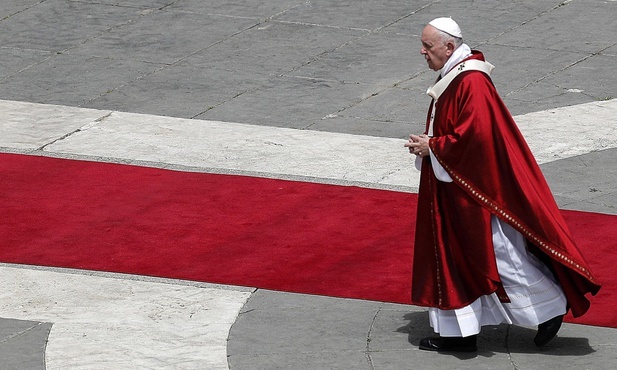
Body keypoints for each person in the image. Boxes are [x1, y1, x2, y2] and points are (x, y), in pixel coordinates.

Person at [404, 17, 601, 353]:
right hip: (457, 186)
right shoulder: (456, 74)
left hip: (478, 194)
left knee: (499, 258)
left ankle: (550, 307)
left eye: (428, 46)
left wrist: (433, 146)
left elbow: (476, 138)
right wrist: (433, 142)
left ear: (449, 47)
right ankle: (459, 333)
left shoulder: (472, 82)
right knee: (463, 258)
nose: (422, 52)